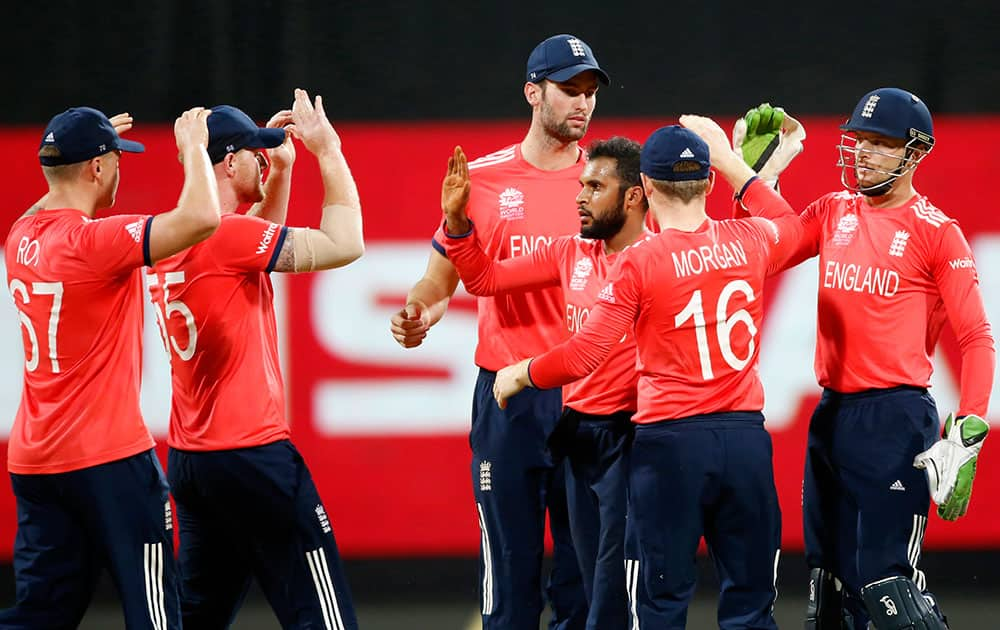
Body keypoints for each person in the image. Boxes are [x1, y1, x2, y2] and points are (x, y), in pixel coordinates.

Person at [493, 120, 807, 629]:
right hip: (746, 439)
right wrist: (735, 164)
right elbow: (795, 228)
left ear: (649, 189)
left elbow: (585, 354)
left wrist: (522, 372)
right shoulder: (748, 238)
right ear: (707, 183)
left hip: (671, 445)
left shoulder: (640, 261)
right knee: (751, 605)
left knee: (658, 606)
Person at [736, 87, 994, 630]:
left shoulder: (937, 233)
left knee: (887, 587)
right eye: (859, 141)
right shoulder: (834, 210)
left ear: (914, 152)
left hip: (896, 421)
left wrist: (968, 426)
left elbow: (975, 336)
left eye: (881, 144)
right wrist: (757, 180)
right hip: (832, 418)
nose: (864, 154)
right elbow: (773, 249)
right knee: (826, 594)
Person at [389, 33, 607, 629]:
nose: (582, 104)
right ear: (533, 93)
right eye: (569, 90)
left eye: (590, 91)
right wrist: (419, 315)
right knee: (509, 579)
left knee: (584, 581)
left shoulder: (606, 183)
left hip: (591, 394)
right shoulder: (481, 182)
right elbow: (438, 284)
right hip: (511, 396)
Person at [148, 89, 364, 629]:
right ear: (227, 161)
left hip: (195, 462)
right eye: (254, 152)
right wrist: (329, 150)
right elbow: (346, 243)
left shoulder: (169, 234)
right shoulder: (227, 235)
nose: (263, 159)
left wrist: (282, 175)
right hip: (253, 455)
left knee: (199, 616)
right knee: (325, 617)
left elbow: (252, 255)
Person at [1, 106, 221, 629]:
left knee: (40, 616)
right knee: (155, 615)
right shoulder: (92, 242)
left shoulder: (20, 239)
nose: (121, 169)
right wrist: (193, 147)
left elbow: (47, 198)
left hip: (36, 462)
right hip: (109, 461)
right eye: (115, 161)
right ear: (96, 168)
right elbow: (202, 220)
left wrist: (83, 150)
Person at [438, 136, 648, 630]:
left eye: (594, 186)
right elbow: (485, 279)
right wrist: (457, 224)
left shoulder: (653, 259)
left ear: (634, 196)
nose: (579, 196)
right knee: (544, 571)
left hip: (622, 431)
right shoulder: (570, 253)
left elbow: (586, 352)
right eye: (582, 184)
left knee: (604, 587)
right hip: (575, 424)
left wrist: (523, 372)